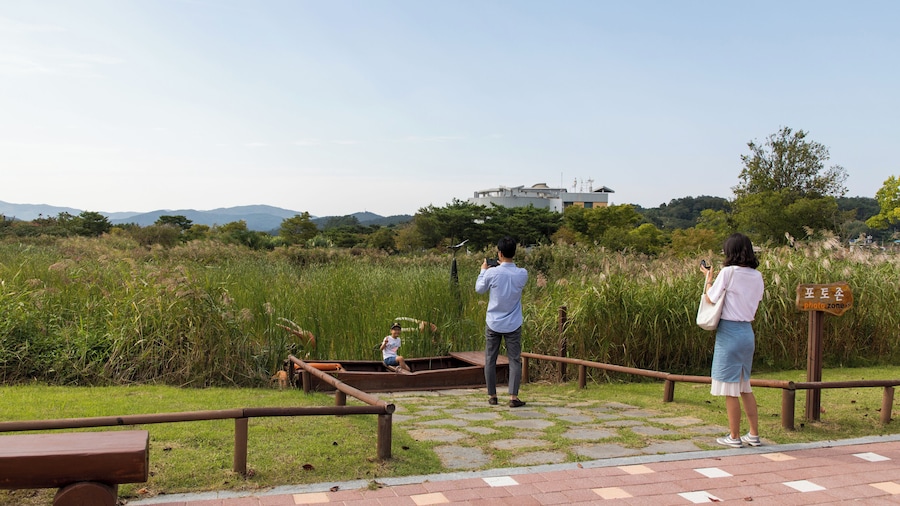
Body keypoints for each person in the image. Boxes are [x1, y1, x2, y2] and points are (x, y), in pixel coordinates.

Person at [701, 233, 765, 448]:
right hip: (747, 332)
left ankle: (734, 436)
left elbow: (711, 298)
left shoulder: (728, 272)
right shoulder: (757, 276)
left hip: (729, 332)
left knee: (730, 389)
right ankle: (754, 435)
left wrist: (708, 279)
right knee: (745, 386)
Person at [475, 236, 529, 407]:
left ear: (499, 253)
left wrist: (483, 270)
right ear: (514, 252)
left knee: (490, 359)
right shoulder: (522, 273)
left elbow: (479, 289)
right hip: (513, 322)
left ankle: (492, 395)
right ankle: (513, 397)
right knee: (514, 360)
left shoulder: (492, 272)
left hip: (493, 322)